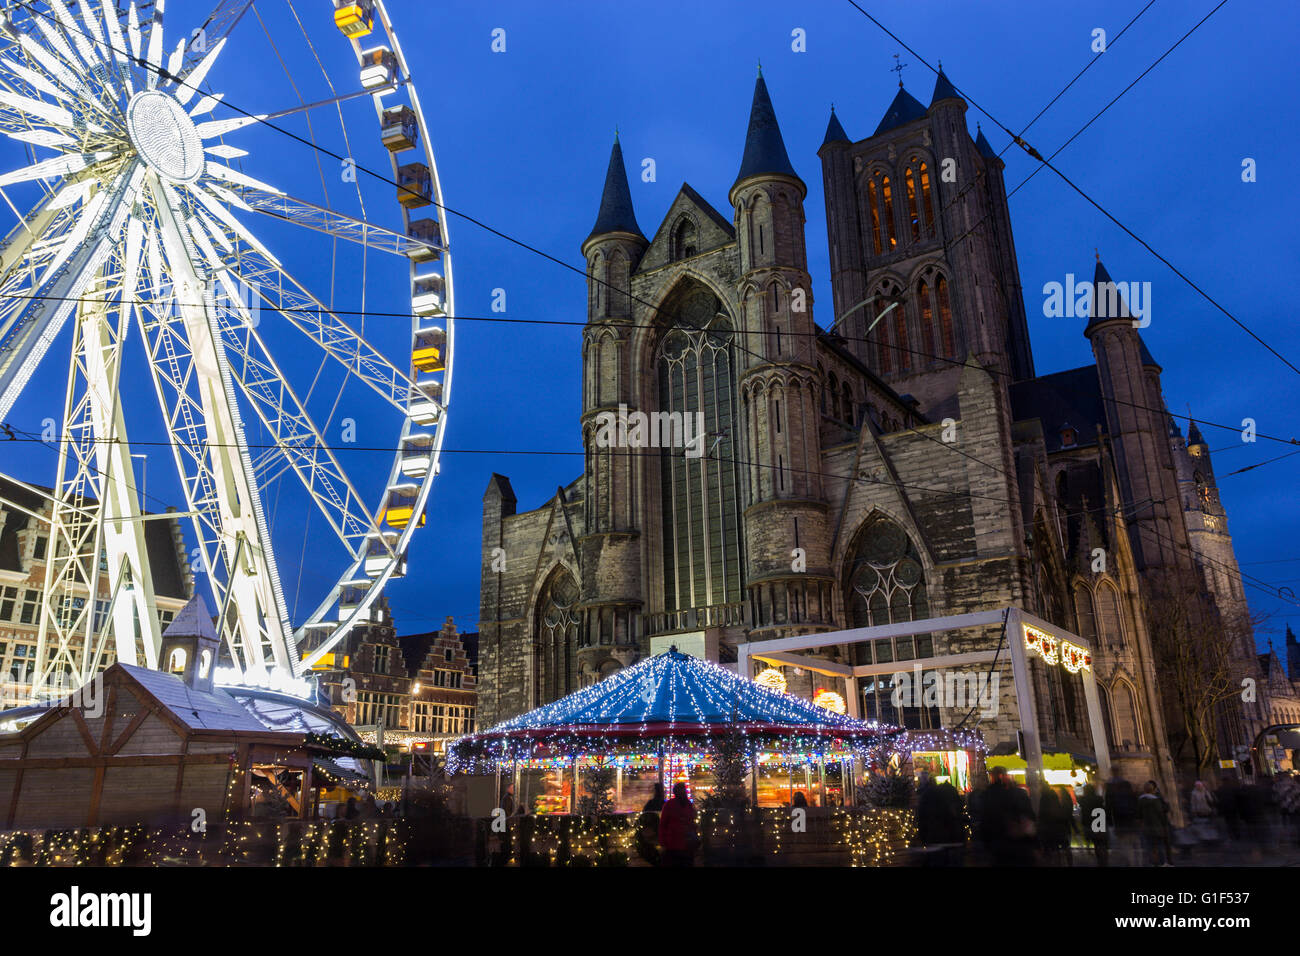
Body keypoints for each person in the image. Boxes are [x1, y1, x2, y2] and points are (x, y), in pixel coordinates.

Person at [979, 766, 1037, 866]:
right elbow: (1029, 816)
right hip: (1018, 841)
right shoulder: (1019, 794)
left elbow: (986, 819)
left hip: (999, 841)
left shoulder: (988, 794)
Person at [658, 782, 699, 867]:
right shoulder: (686, 805)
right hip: (677, 844)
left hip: (679, 844)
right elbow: (663, 825)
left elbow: (663, 825)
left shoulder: (671, 805)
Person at [1138, 780, 1173, 866]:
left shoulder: (1140, 800)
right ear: (1153, 790)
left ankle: (1154, 862)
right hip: (1157, 826)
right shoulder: (1156, 800)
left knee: (1150, 846)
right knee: (1159, 845)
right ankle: (1162, 862)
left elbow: (1139, 814)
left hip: (1147, 827)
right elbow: (1161, 813)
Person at [1078, 783, 1109, 866]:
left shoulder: (1083, 800)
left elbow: (1079, 801)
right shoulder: (1098, 799)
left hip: (1089, 823)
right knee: (1102, 843)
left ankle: (1099, 859)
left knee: (1096, 843)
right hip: (1100, 822)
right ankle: (1104, 861)